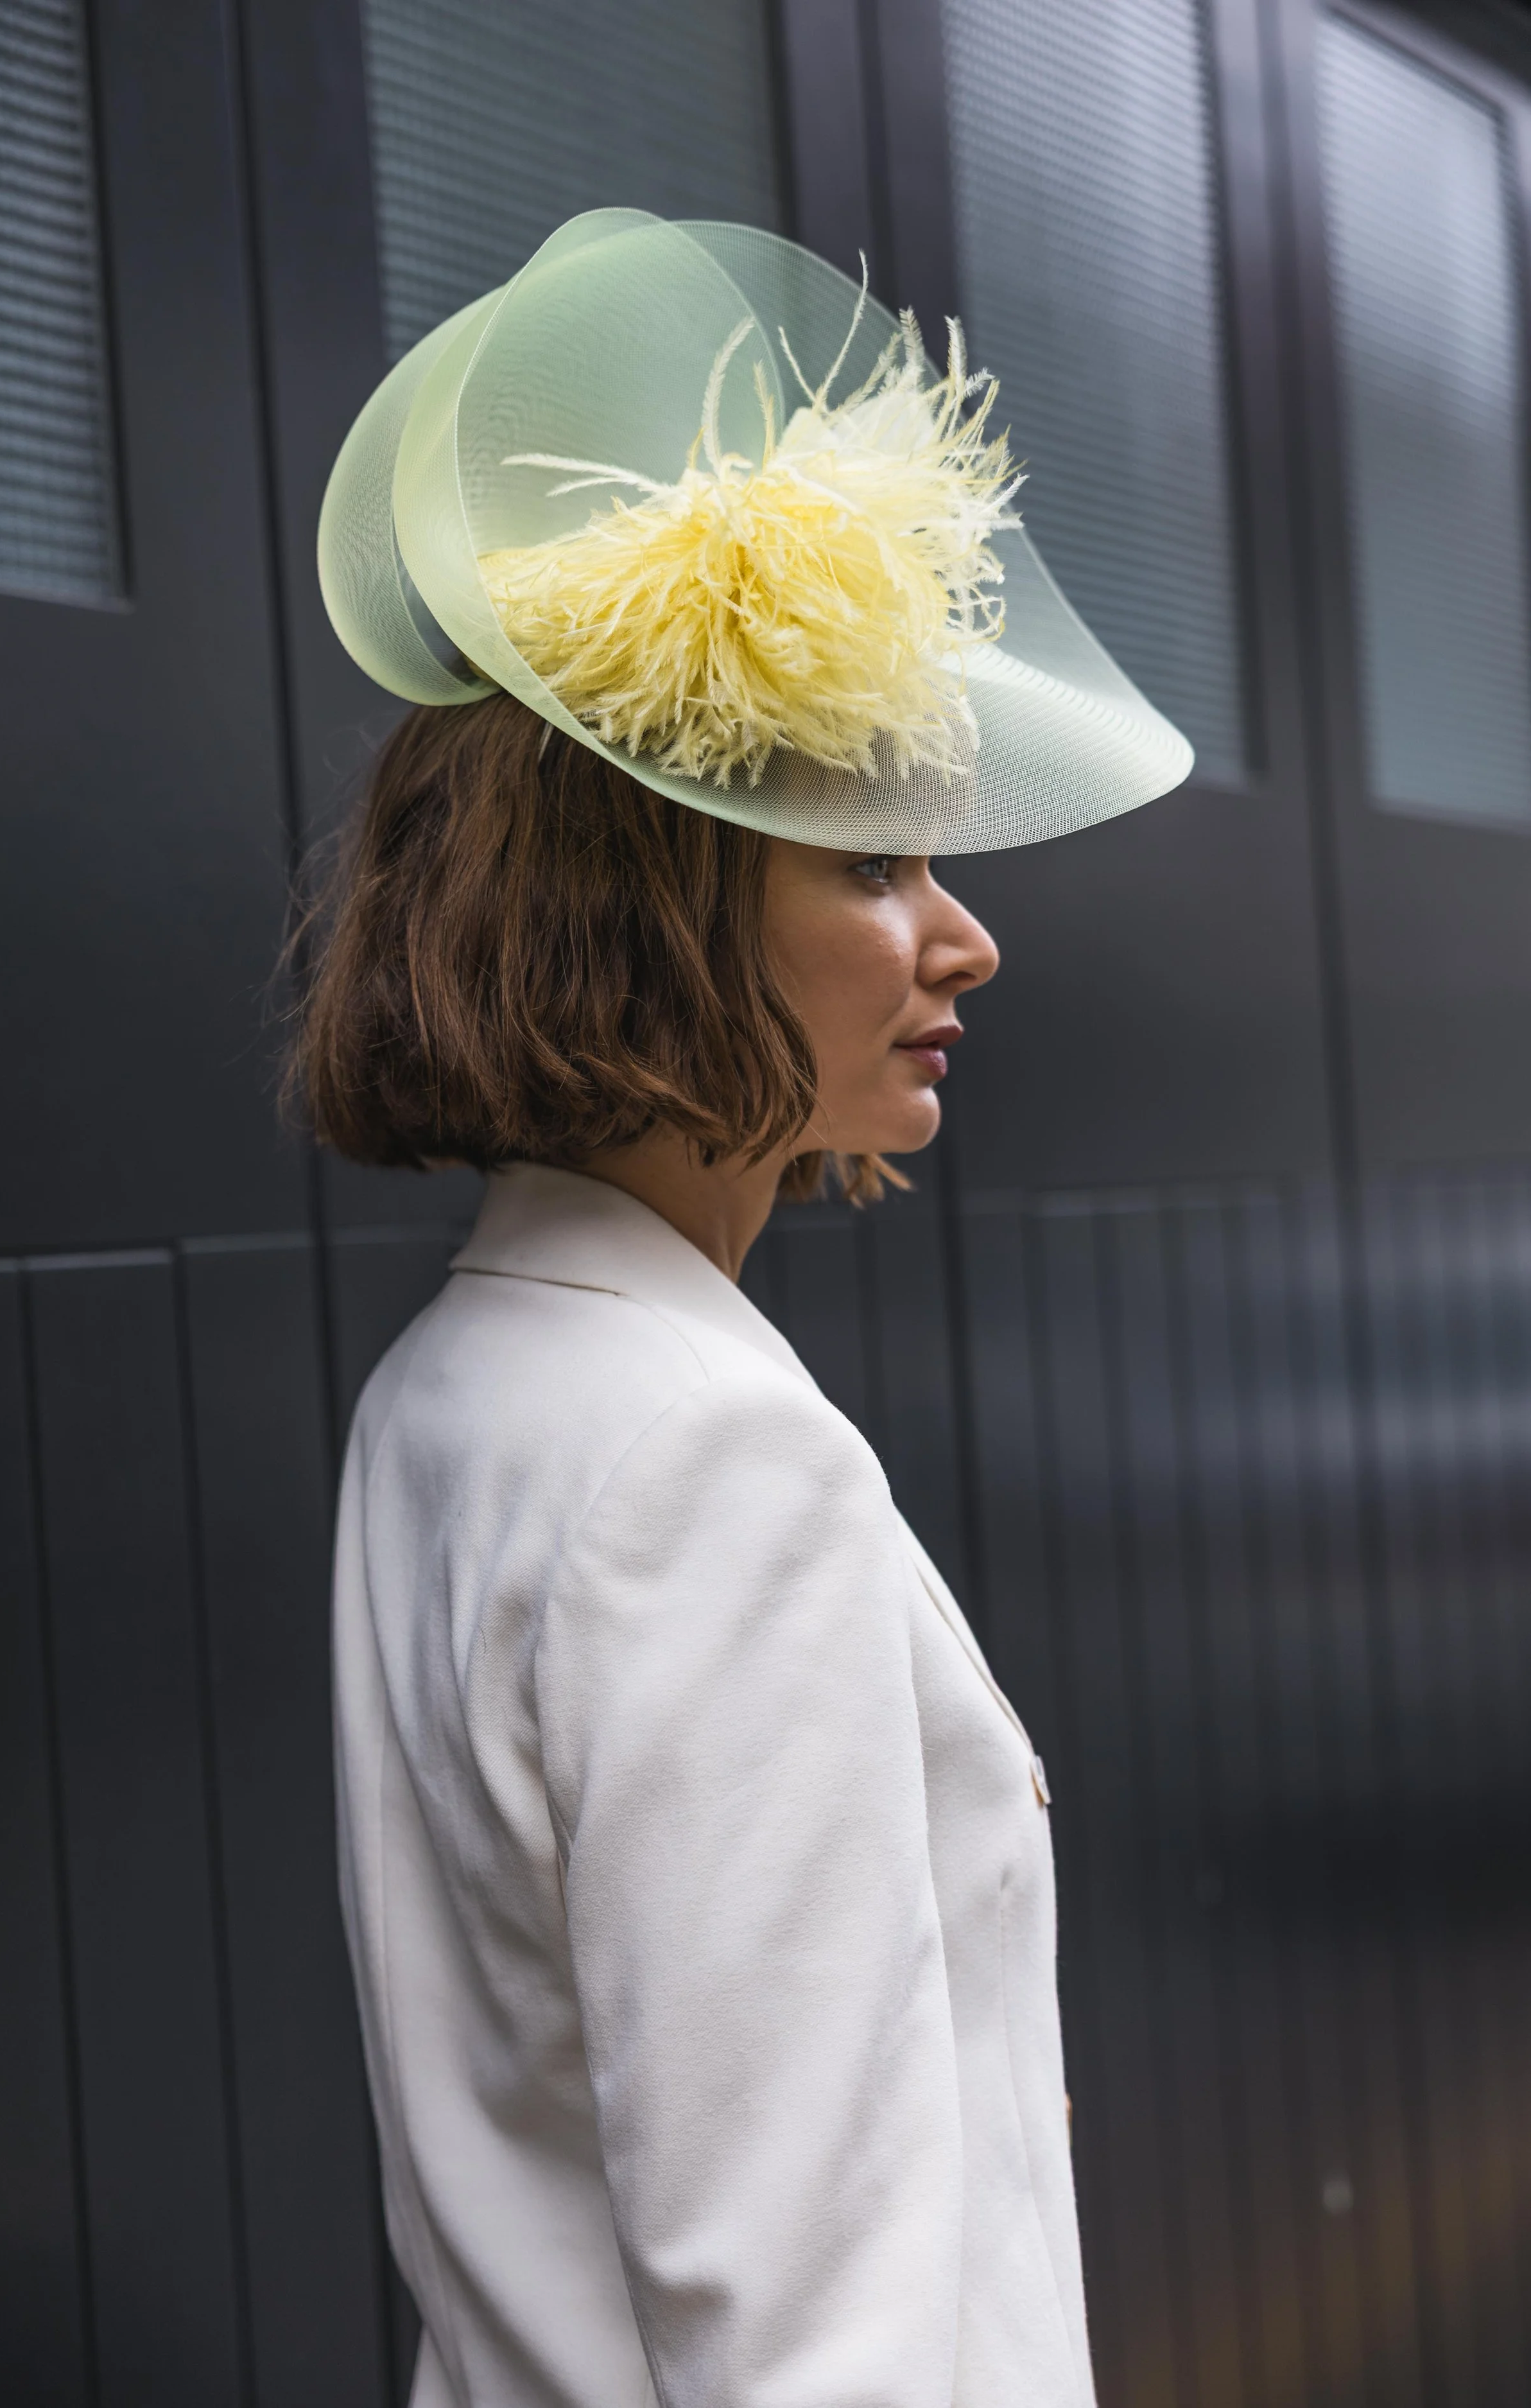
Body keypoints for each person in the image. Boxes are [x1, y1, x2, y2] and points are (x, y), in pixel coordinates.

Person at [301, 211, 1192, 2408]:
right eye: (871, 861)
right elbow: (809, 2342)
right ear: (654, 914)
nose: (961, 937)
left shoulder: (461, 1379)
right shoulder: (711, 1457)